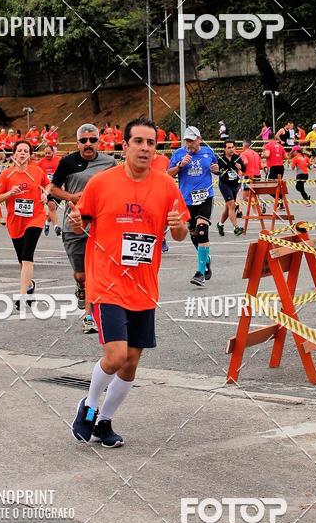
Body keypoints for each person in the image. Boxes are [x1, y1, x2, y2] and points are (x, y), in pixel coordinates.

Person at [68, 117, 189, 446]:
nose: (145, 148)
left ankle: (104, 422)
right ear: (125, 146)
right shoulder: (101, 183)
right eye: (139, 142)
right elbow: (81, 224)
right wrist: (76, 220)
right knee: (117, 355)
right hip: (107, 285)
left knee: (131, 364)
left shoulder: (166, 186)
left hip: (144, 287)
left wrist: (178, 225)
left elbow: (179, 234)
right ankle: (89, 406)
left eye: (151, 143)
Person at [49, 124, 115, 333]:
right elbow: (53, 188)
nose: (88, 144)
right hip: (74, 225)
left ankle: (89, 316)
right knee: (81, 274)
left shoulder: (109, 162)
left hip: (100, 225)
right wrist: (71, 197)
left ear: (98, 141)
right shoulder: (67, 162)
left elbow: (117, 189)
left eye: (93, 140)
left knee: (95, 272)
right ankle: (80, 287)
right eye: (84, 140)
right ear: (77, 142)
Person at [0, 141, 47, 309]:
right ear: (14, 154)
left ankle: (23, 296)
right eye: (20, 151)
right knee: (21, 259)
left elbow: (47, 184)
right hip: (15, 221)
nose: (23, 153)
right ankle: (29, 285)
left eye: (26, 151)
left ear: (30, 154)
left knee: (27, 256)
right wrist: (10, 193)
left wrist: (46, 193)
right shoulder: (6, 175)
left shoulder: (37, 171)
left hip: (35, 218)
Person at [168, 126, 219, 287]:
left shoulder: (208, 152)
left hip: (205, 198)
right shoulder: (179, 154)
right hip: (186, 200)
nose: (189, 144)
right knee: (194, 234)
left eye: (191, 140)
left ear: (199, 139)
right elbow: (168, 174)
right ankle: (206, 259)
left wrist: (216, 170)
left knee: (202, 231)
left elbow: (217, 168)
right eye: (186, 140)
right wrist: (180, 165)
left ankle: (200, 272)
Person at [216, 140, 244, 236]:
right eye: (229, 147)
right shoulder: (220, 159)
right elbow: (217, 171)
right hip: (224, 184)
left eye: (233, 147)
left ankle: (220, 224)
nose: (231, 149)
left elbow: (244, 168)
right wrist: (221, 171)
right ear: (224, 149)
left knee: (228, 206)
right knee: (232, 205)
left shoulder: (237, 158)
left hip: (234, 184)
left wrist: (240, 167)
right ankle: (236, 228)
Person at [38, 144, 61, 235]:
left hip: (58, 189)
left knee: (53, 210)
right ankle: (56, 227)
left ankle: (47, 223)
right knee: (51, 206)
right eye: (45, 153)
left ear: (53, 152)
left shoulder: (59, 160)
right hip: (47, 189)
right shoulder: (40, 163)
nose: (47, 155)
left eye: (49, 153)